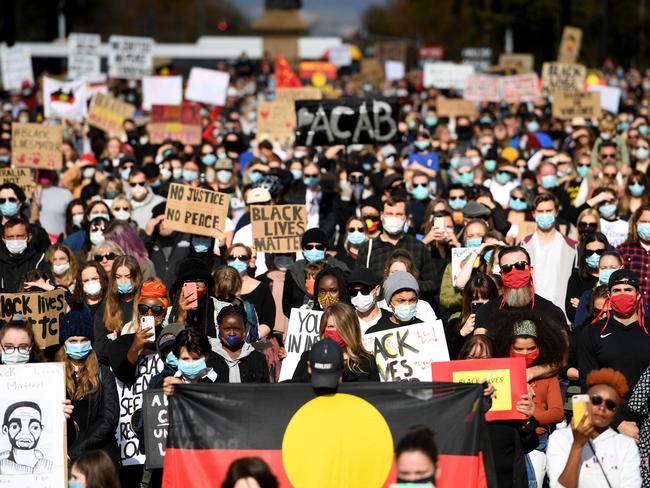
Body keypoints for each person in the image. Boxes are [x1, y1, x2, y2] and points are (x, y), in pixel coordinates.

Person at [492, 311, 567, 487]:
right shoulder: (499, 374)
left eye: (531, 348)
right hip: (507, 440)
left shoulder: (548, 377)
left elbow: (557, 413)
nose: (525, 353)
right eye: (518, 349)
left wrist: (535, 412)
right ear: (508, 346)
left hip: (537, 441)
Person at [578, 269, 650, 441]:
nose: (622, 294)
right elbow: (588, 386)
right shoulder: (592, 333)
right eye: (617, 290)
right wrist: (618, 423)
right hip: (608, 424)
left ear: (638, 295)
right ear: (609, 295)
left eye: (628, 290)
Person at [547, 368, 641, 488]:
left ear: (615, 412)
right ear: (585, 401)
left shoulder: (626, 445)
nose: (602, 407)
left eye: (610, 404)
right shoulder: (560, 439)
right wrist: (577, 446)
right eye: (596, 400)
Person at [57, 303, 119, 464]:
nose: (78, 344)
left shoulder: (103, 373)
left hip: (99, 456)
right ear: (64, 343)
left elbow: (109, 419)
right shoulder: (54, 374)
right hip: (64, 456)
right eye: (73, 340)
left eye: (84, 340)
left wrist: (77, 450)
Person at [356, 196, 436, 297]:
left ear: (406, 217)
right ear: (381, 216)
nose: (393, 218)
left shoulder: (419, 247)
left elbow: (433, 285)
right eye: (389, 214)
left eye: (398, 214)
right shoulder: (367, 248)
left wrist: (408, 283)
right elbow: (358, 284)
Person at [292, 303, 379, 382]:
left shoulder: (367, 361)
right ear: (323, 329)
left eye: (340, 327)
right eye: (331, 326)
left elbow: (375, 396)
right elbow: (295, 392)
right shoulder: (308, 358)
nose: (336, 331)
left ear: (351, 329)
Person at [521, 193, 577, 316]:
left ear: (556, 212)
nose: (545, 215)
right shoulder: (524, 245)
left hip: (560, 313)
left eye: (549, 210)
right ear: (533, 213)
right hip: (531, 312)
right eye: (540, 211)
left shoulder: (572, 247)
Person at [282, 228, 349, 316]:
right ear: (303, 250)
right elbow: (286, 306)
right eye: (309, 247)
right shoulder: (293, 271)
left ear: (325, 249)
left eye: (319, 247)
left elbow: (345, 301)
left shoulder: (339, 269)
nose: (314, 250)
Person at [93, 255, 143, 364]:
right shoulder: (106, 305)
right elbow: (99, 347)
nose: (123, 281)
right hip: (115, 366)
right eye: (118, 277)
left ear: (136, 277)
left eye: (128, 276)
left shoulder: (144, 302)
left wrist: (118, 344)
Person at [209, 300, 269, 383]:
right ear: (219, 330)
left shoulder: (258, 359)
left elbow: (264, 391)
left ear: (244, 331)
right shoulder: (208, 358)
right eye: (227, 329)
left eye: (237, 329)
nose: (232, 334)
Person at [445, 272, 499, 360]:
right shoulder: (454, 325)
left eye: (485, 298)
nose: (481, 302)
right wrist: (461, 334)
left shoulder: (501, 323)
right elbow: (446, 357)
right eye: (475, 298)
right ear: (468, 300)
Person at [226, 243, 274, 339]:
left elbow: (268, 321)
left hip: (252, 345)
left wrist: (251, 337)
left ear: (248, 261)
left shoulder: (262, 288)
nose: (237, 261)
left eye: (242, 258)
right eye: (232, 257)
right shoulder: (218, 287)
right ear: (227, 260)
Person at [565, 232, 609, 322]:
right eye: (590, 252)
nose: (594, 256)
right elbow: (572, 313)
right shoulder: (576, 278)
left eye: (599, 252)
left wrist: (584, 305)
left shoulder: (613, 277)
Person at [162, 328, 219, 395]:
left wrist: (182, 388)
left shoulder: (220, 381)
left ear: (206, 356)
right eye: (185, 359)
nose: (190, 364)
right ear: (177, 358)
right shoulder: (165, 384)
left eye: (196, 359)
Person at [0, 217, 50, 292]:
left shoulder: (39, 261)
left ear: (29, 237)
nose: (15, 240)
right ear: (4, 239)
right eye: (10, 237)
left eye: (19, 236)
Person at [617, 204, 650, 299]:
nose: (647, 225)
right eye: (644, 221)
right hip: (631, 310)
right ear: (635, 223)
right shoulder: (623, 250)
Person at [346, 267, 390, 333]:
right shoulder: (346, 323)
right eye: (353, 292)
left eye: (365, 290)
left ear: (377, 290)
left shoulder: (389, 319)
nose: (359, 296)